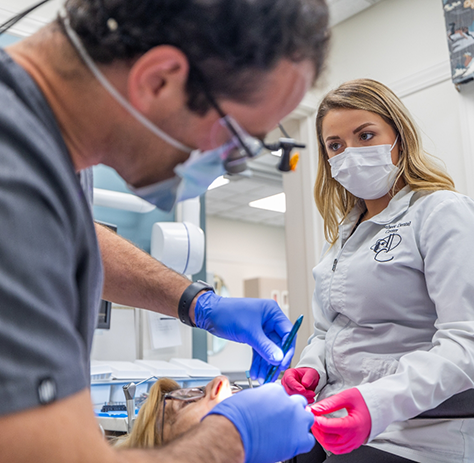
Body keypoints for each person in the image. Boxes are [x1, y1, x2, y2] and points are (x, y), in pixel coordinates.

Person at [0, 0, 330, 462]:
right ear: (158, 80)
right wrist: (234, 440)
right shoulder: (11, 173)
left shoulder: (44, 146)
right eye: (235, 145)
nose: (226, 165)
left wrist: (196, 302)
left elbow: (65, 238)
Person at [282, 78, 474, 463]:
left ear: (398, 139)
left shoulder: (440, 211)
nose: (349, 153)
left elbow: (465, 341)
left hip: (416, 434)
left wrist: (377, 404)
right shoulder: (343, 235)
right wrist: (310, 369)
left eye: (366, 136)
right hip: (335, 417)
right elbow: (328, 330)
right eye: (335, 145)